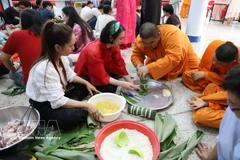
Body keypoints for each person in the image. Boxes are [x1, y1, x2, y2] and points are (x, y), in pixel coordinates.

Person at [26, 21, 102, 131]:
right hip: (45, 104)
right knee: (72, 117)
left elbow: (70, 76)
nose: (74, 48)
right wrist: (86, 105)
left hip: (61, 91)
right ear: (57, 47)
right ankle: (77, 105)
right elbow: (57, 101)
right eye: (70, 46)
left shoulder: (62, 57)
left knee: (87, 79)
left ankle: (75, 102)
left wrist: (87, 83)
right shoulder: (44, 69)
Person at [185, 41, 239, 129]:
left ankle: (206, 107)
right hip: (225, 91)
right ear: (216, 49)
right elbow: (203, 68)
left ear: (233, 61)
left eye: (219, 64)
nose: (214, 63)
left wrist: (205, 101)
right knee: (211, 86)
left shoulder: (237, 65)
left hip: (234, 107)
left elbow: (231, 95)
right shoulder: (214, 45)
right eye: (213, 59)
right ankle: (209, 106)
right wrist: (204, 74)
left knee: (200, 116)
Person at [74, 21, 137, 93]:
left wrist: (132, 84)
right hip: (86, 75)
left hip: (100, 70)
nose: (122, 41)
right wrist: (122, 84)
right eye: (120, 39)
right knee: (110, 88)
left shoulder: (113, 46)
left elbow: (120, 66)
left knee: (116, 74)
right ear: (110, 38)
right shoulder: (93, 50)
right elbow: (100, 76)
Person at [196, 64, 240, 160]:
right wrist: (209, 158)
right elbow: (224, 138)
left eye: (232, 102)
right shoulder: (232, 110)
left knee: (201, 116)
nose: (230, 106)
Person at [131, 22, 200, 80]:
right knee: (150, 72)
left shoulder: (172, 34)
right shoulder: (140, 39)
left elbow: (174, 58)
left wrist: (149, 68)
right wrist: (138, 63)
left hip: (185, 62)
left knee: (193, 77)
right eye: (145, 43)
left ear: (158, 35)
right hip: (159, 60)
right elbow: (136, 54)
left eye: (151, 42)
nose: (148, 46)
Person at [1, 9, 42, 88]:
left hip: (34, 85)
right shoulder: (48, 32)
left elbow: (4, 58)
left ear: (22, 21)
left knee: (12, 73)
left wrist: (13, 68)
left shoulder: (17, 35)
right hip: (55, 79)